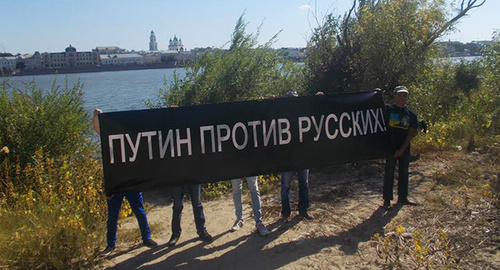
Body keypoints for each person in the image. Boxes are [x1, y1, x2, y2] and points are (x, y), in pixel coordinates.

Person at [93, 109, 158, 257]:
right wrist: (96, 116)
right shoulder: (110, 139)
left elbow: (155, 133)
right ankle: (110, 245)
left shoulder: (135, 140)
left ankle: (146, 238)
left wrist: (171, 114)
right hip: (115, 184)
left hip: (132, 183)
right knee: (113, 217)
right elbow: (98, 129)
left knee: (140, 212)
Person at [382, 86, 419, 208]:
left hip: (404, 147)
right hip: (390, 147)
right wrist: (376, 93)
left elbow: (412, 132)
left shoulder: (411, 114)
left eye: (404, 95)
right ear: (395, 96)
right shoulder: (388, 109)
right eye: (399, 95)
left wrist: (402, 149)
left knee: (404, 173)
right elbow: (374, 110)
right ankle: (387, 200)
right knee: (389, 173)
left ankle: (403, 198)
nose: (402, 97)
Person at [280, 91, 314, 220]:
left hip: (303, 156)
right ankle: (285, 212)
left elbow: (316, 110)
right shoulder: (281, 113)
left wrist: (320, 99)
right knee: (285, 186)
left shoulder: (303, 112)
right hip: (287, 157)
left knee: (304, 184)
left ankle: (303, 210)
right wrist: (269, 102)